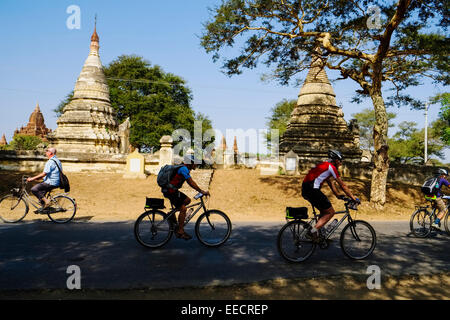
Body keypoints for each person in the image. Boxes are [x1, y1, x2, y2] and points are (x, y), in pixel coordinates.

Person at [302, 150, 359, 242]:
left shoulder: (324, 165)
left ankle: (319, 234)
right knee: (330, 212)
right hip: (313, 190)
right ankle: (312, 232)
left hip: (306, 189)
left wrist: (337, 195)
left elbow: (330, 182)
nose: (340, 163)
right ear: (336, 160)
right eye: (340, 161)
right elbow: (342, 185)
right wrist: (353, 198)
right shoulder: (331, 167)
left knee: (324, 211)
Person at [162, 154, 210, 240]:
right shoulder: (183, 169)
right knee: (183, 209)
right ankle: (180, 231)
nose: (196, 165)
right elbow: (191, 182)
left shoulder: (184, 168)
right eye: (195, 163)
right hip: (171, 191)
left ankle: (171, 215)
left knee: (187, 200)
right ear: (190, 163)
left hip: (171, 190)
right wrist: (201, 191)